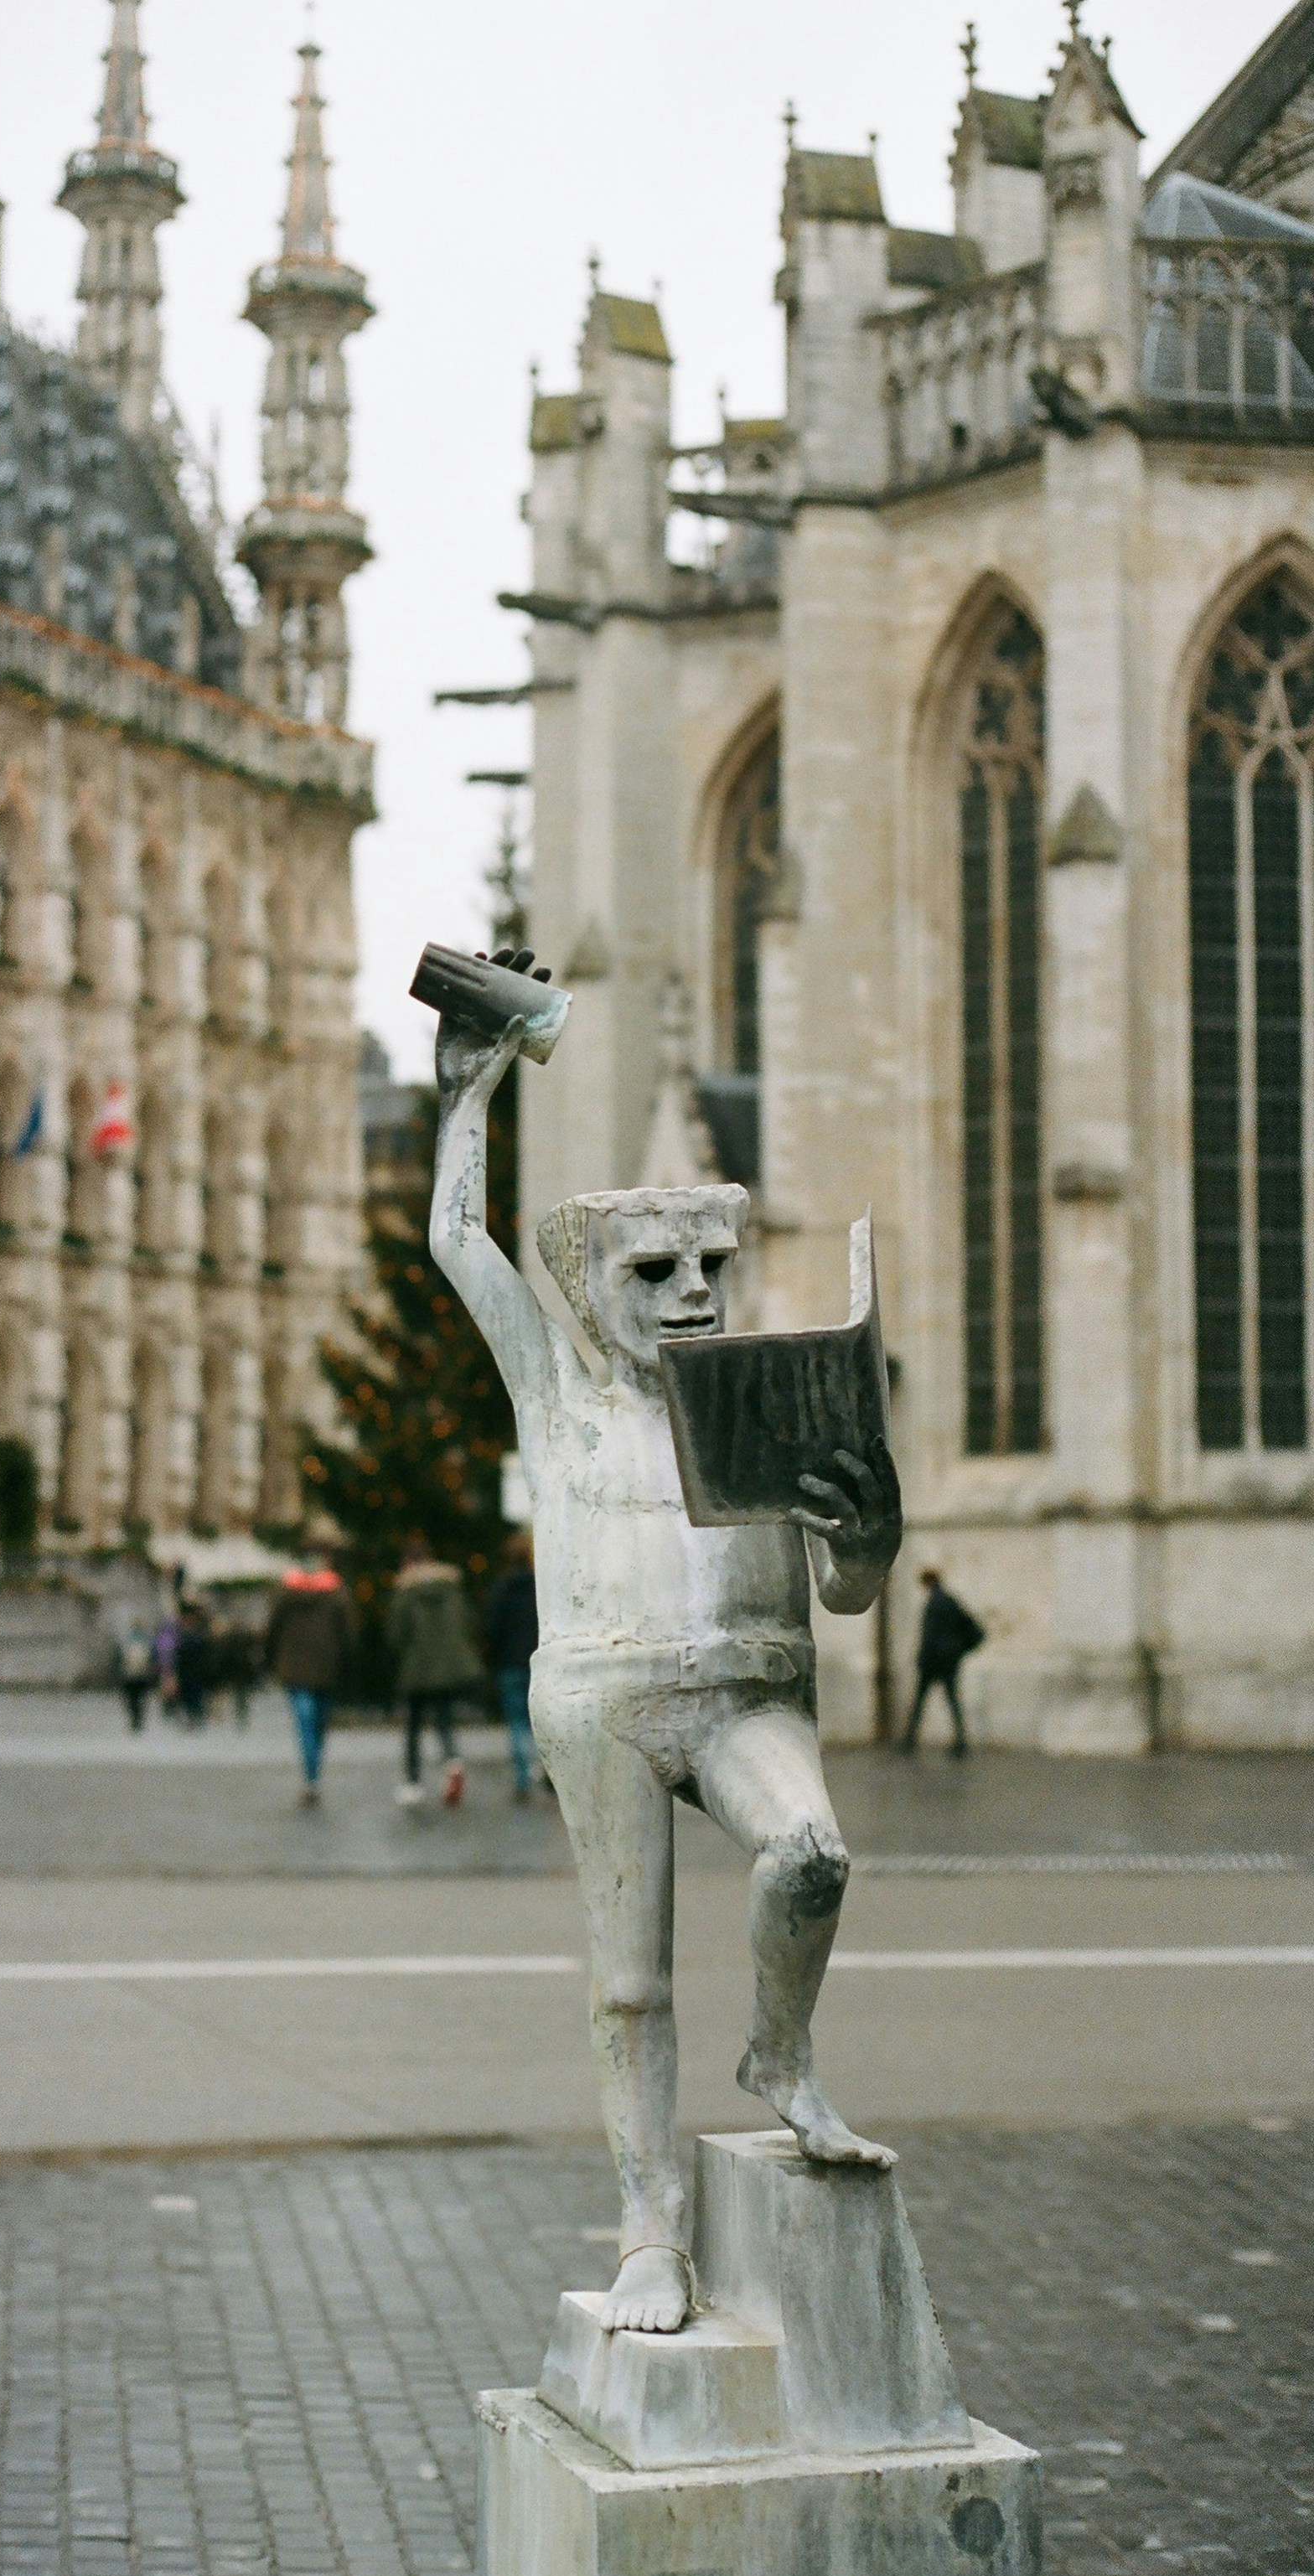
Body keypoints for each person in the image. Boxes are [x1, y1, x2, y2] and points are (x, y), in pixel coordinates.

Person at [429, 949, 902, 2334]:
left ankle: (780, 2054)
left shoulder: (764, 1401)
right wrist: (469, 1094)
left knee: (809, 1853)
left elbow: (845, 1595)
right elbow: (459, 1245)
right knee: (630, 1981)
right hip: (605, 1701)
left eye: (709, 1263)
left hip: (749, 1692)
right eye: (654, 1268)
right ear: (589, 1287)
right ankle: (650, 2229)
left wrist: (867, 1538)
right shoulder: (555, 1394)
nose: (691, 1289)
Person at [385, 1535, 480, 1808]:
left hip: (417, 1668)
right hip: (448, 1667)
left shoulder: (405, 1591)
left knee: (413, 1727)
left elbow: (396, 1634)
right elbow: (466, 1621)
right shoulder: (450, 1587)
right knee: (444, 1719)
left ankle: (413, 1783)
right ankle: (452, 1760)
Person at [264, 1551, 357, 1805]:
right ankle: (313, 1773)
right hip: (327, 1665)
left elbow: (272, 1630)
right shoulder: (336, 1593)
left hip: (294, 1667)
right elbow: (348, 1633)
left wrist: (270, 1660)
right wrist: (347, 1663)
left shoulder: (285, 1593)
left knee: (305, 1722)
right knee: (318, 1723)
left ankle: (311, 1777)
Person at [901, 1568, 986, 1758]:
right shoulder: (949, 1600)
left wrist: (922, 1658)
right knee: (951, 1701)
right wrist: (958, 1651)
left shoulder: (935, 1603)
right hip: (948, 1662)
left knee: (920, 1701)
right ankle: (960, 1741)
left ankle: (910, 1740)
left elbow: (930, 1635)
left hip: (933, 1662)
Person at [484, 1529, 539, 1800]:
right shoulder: (539, 1589)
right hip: (537, 1662)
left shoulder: (501, 1590)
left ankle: (522, 1779)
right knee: (540, 1721)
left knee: (516, 1723)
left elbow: (492, 1629)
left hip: (510, 1664)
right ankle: (548, 1772)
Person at [173, 1601, 212, 1727]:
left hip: (197, 1672)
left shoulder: (200, 1635)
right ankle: (191, 1718)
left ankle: (196, 1718)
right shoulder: (181, 1635)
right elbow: (177, 1656)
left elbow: (206, 1654)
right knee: (187, 1697)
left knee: (196, 1697)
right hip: (185, 1673)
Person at [115, 1617, 157, 1732]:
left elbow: (119, 1659)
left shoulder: (125, 1641)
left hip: (130, 1675)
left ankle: (135, 1719)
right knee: (140, 1699)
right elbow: (152, 1658)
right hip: (142, 1675)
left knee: (132, 1699)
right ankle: (138, 1719)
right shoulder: (146, 1641)